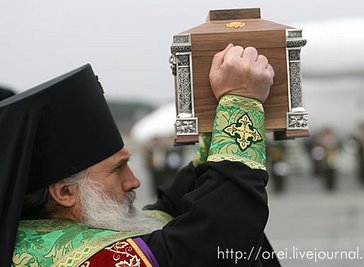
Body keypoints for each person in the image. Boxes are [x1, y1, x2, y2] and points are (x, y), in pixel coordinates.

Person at [1, 44, 281, 266]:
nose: (134, 181)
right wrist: (241, 103)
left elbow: (169, 211)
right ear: (64, 192)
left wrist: (214, 128)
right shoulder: (79, 260)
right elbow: (207, 243)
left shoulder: (62, 229)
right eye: (118, 168)